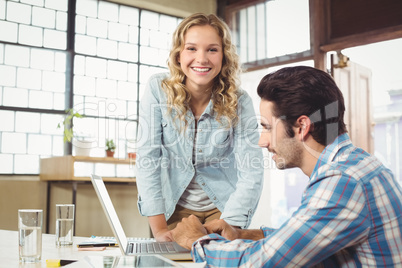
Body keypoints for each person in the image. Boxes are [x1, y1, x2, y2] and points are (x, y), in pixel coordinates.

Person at [172, 66, 402, 267]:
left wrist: (197, 240)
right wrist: (242, 234)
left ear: (302, 126)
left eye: (267, 127)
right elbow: (304, 239)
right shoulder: (356, 165)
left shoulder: (343, 182)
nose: (262, 141)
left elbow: (258, 264)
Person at [136, 13, 263, 242]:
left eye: (212, 50)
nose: (201, 59)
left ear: (224, 56)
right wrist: (159, 230)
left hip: (224, 210)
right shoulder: (158, 89)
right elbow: (148, 159)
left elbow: (251, 171)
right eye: (192, 48)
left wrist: (229, 226)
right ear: (178, 55)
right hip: (174, 209)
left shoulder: (240, 101)